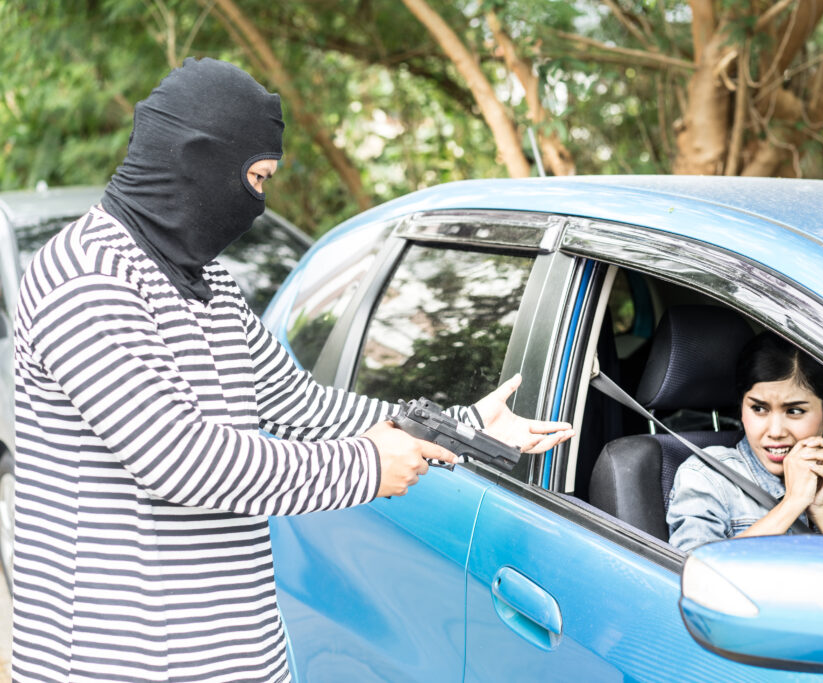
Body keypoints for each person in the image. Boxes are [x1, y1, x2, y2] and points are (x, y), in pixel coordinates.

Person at [11, 57, 573, 683]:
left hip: (238, 654)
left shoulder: (210, 283)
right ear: (198, 160)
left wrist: (458, 427)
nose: (259, 203)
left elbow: (302, 407)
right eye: (256, 178)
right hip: (116, 659)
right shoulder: (86, 276)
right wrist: (367, 466)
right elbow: (178, 459)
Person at [666, 332, 823, 571]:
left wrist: (820, 513)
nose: (775, 431)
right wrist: (792, 504)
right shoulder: (708, 477)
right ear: (742, 408)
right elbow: (694, 576)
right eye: (759, 409)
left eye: (794, 411)